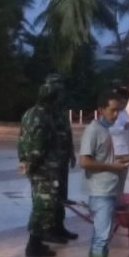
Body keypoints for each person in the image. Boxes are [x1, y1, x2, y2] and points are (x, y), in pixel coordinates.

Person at [80, 92, 129, 257]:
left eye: (118, 110)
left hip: (110, 189)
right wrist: (112, 166)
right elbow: (85, 161)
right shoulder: (93, 131)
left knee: (101, 236)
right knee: (102, 237)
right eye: (112, 110)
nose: (115, 114)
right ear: (101, 109)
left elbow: (107, 158)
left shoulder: (106, 131)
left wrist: (124, 158)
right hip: (100, 190)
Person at [18, 79, 66, 257]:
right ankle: (33, 245)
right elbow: (39, 145)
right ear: (52, 99)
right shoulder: (43, 116)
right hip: (44, 169)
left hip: (36, 167)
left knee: (40, 204)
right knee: (43, 206)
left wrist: (25, 162)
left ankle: (36, 242)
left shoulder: (28, 113)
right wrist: (33, 163)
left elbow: (21, 140)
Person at [46, 74, 79, 242]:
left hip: (62, 159)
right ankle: (49, 229)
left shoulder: (60, 110)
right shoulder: (44, 111)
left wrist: (72, 152)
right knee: (51, 196)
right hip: (50, 162)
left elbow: (67, 132)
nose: (60, 92)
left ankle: (59, 226)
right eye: (56, 87)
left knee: (61, 195)